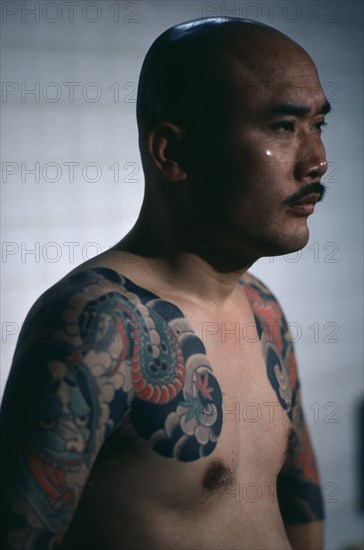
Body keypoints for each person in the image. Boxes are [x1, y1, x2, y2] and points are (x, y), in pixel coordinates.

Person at [0, 17, 331, 550]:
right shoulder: (97, 324)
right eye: (282, 127)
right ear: (171, 153)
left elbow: (300, 498)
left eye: (318, 124)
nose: (317, 160)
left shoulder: (261, 309)